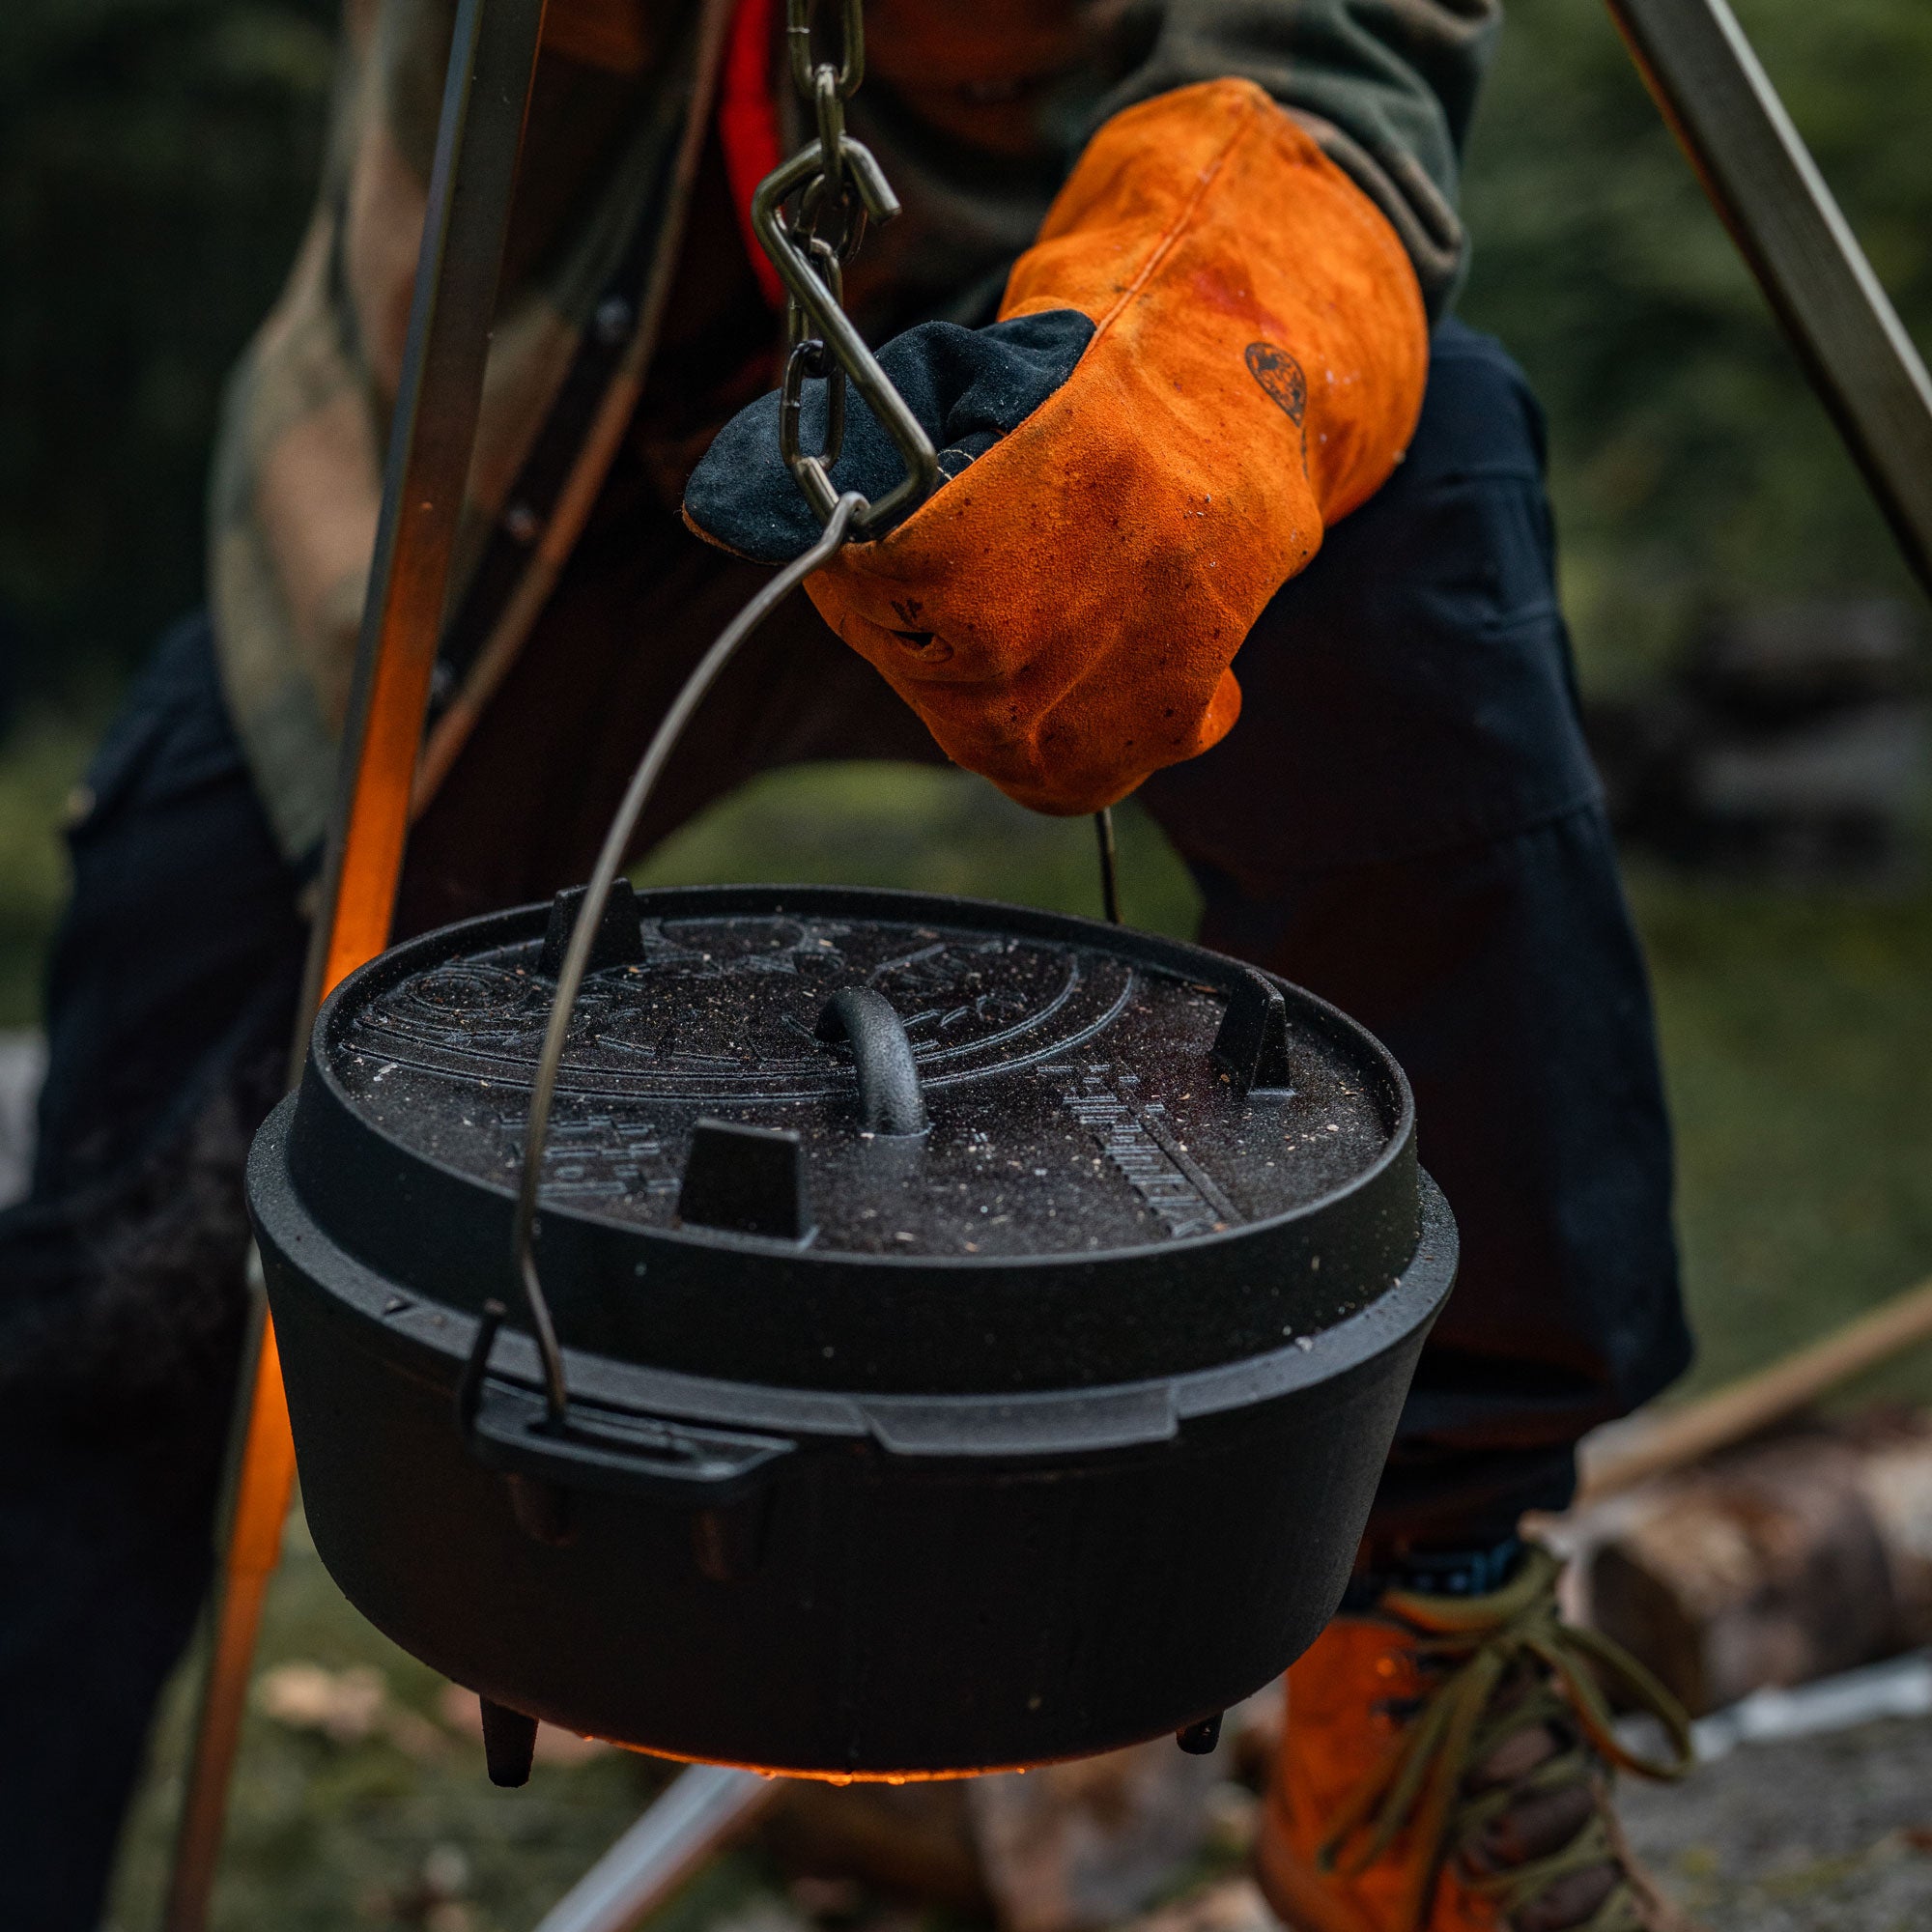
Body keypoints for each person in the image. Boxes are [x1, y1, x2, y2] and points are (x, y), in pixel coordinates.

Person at [0, 3, 1696, 1928]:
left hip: (1046, 362)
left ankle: (1414, 1662)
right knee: (115, 1254)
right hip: (487, 430)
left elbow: (1335, 46)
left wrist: (1161, 381)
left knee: (1425, 490)